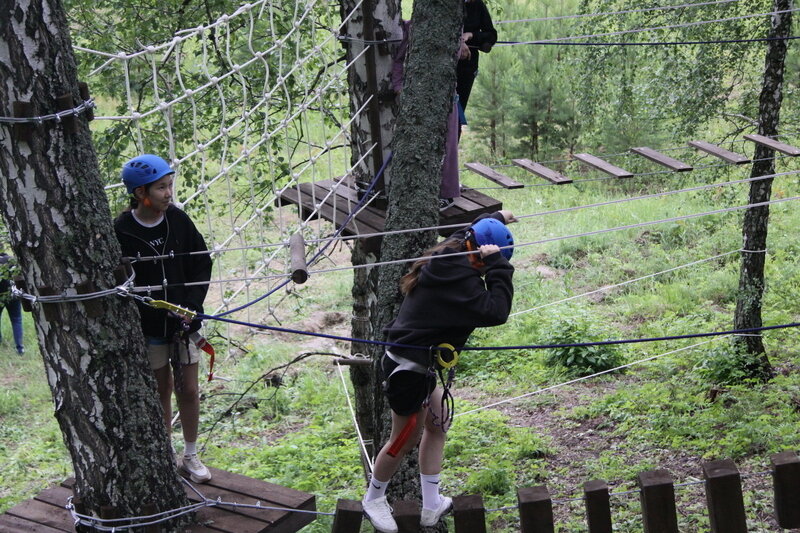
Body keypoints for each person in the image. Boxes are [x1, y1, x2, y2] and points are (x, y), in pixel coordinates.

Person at [361, 210, 516, 532]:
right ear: (481, 257)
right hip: (408, 370)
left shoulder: (452, 251)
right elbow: (497, 311)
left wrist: (497, 218)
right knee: (403, 440)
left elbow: (471, 230)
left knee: (438, 423)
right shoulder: (461, 286)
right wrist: (499, 267)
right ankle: (373, 499)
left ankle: (431, 504)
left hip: (416, 363)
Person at [114, 154, 214, 483]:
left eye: (170, 185)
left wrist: (192, 306)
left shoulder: (178, 220)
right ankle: (166, 454)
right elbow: (120, 284)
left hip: (184, 324)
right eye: (161, 188)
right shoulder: (121, 230)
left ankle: (191, 454)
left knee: (189, 389)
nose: (169, 193)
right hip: (150, 327)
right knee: (161, 389)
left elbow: (201, 263)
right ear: (140, 193)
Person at [391, 20, 462, 212]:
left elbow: (451, 59)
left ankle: (446, 193)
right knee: (415, 146)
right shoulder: (414, 25)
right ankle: (416, 190)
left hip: (444, 97)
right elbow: (400, 59)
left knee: (446, 145)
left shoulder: (452, 25)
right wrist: (399, 87)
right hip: (416, 99)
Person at [456, 0, 498, 124]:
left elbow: (491, 35)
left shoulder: (478, 5)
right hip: (443, 65)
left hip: (467, 67)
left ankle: (455, 135)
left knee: (458, 111)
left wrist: (472, 35)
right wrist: (459, 43)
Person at [0, 253, 24, 355]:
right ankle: (20, 348)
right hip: (13, 295)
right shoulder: (11, 260)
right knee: (16, 320)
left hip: (0, 296)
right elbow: (19, 277)